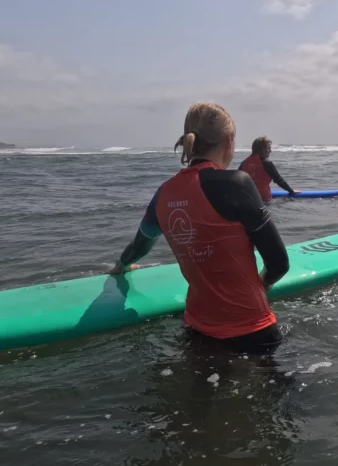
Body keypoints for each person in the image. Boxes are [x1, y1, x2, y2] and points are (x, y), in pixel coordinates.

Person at [110, 103, 290, 351]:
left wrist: (122, 265)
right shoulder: (237, 184)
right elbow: (279, 263)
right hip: (252, 330)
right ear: (229, 141)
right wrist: (262, 284)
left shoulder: (163, 194)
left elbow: (139, 245)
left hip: (196, 331)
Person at [239, 136, 296, 202]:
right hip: (263, 200)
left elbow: (236, 182)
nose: (270, 151)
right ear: (262, 149)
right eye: (268, 148)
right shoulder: (267, 163)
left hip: (247, 200)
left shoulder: (244, 163)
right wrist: (291, 191)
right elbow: (279, 180)